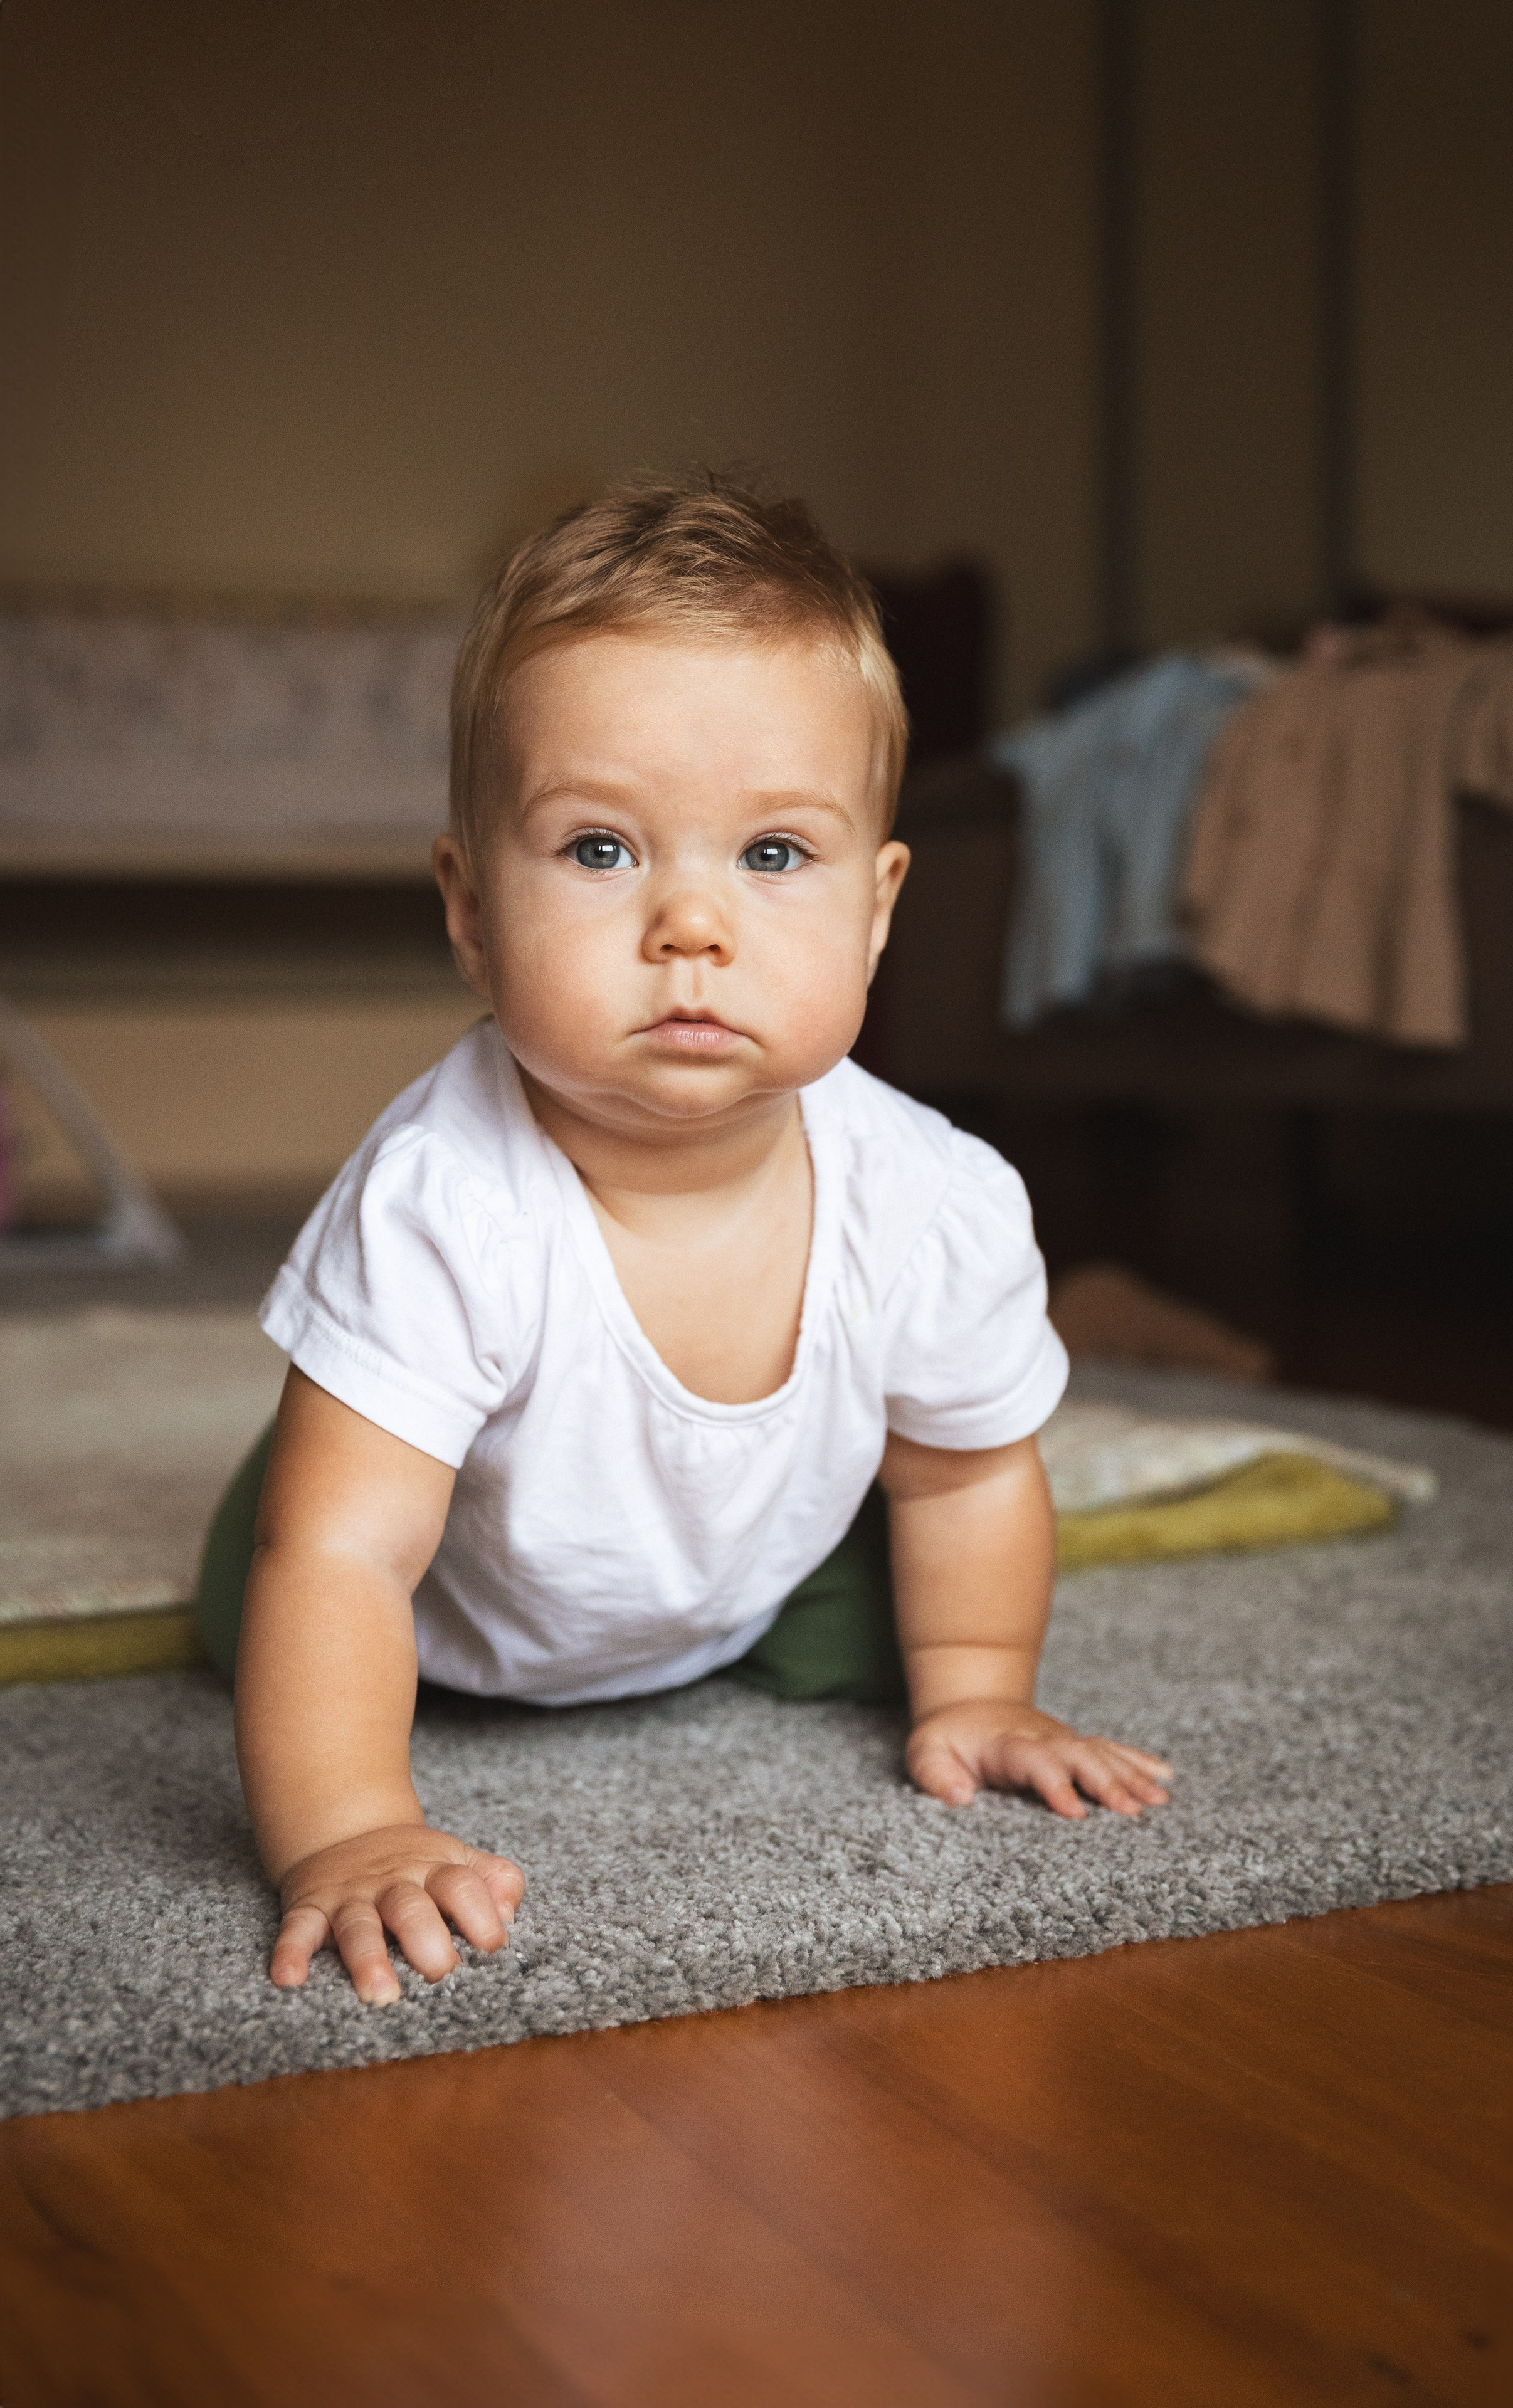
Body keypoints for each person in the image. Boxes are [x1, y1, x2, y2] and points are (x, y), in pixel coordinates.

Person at [202, 473, 1171, 2008]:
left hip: (739, 1569)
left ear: (874, 907)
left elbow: (967, 1466)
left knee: (910, 1611)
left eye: (773, 857)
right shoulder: (440, 1199)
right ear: (469, 910)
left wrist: (985, 1690)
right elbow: (344, 1553)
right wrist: (352, 1826)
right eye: (599, 851)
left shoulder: (930, 1199)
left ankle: (883, 1658)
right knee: (282, 1571)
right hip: (447, 1586)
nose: (691, 927)